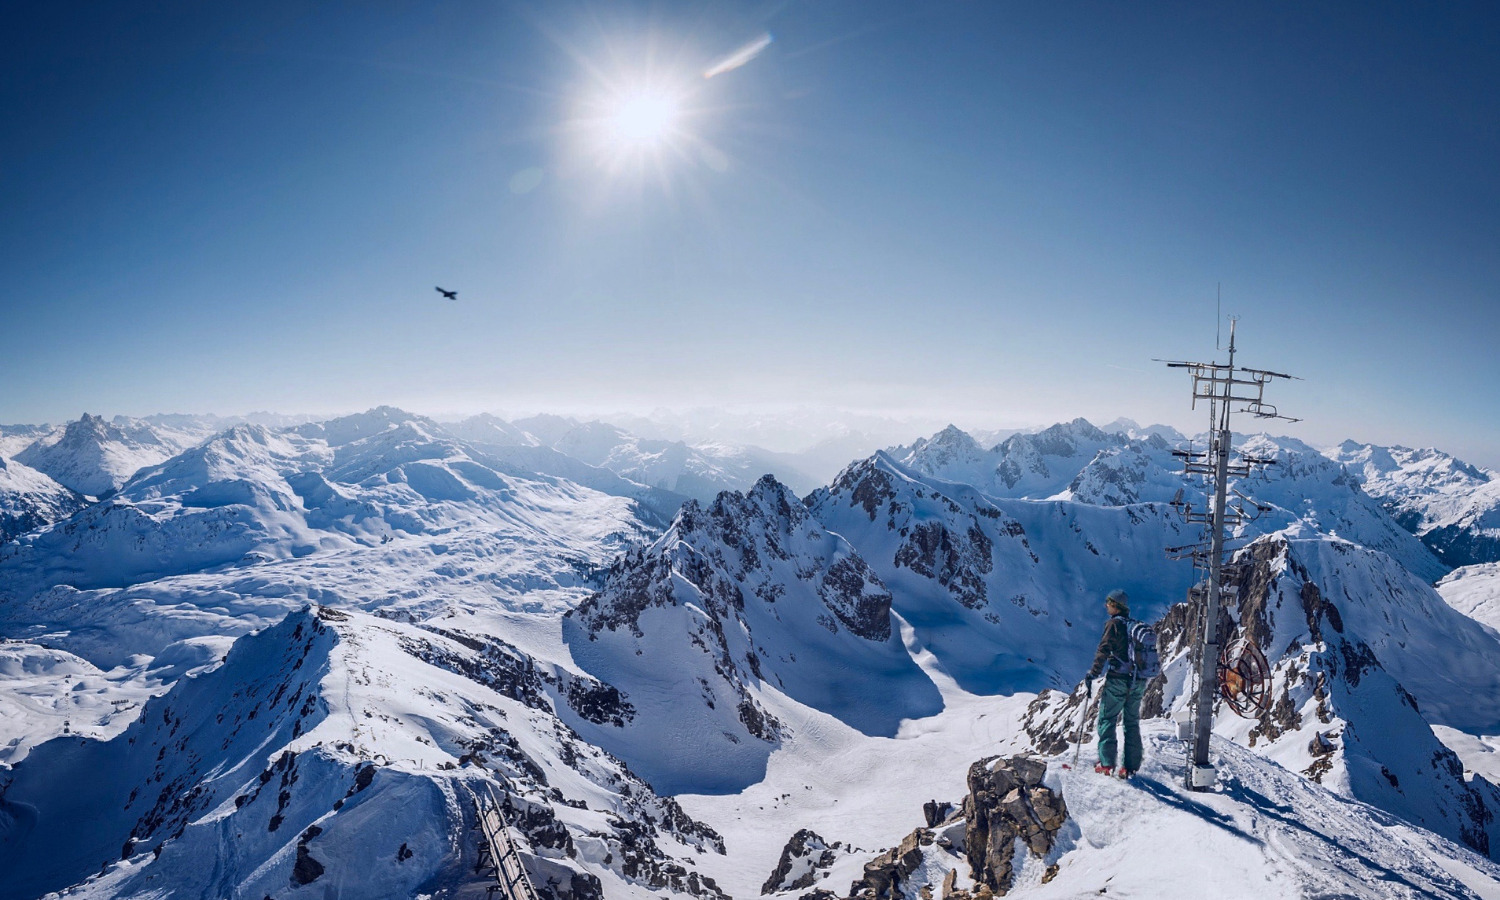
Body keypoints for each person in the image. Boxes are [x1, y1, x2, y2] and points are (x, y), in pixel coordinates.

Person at [1083, 589, 1147, 778]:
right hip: (1138, 681)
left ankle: (1107, 763)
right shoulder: (1135, 626)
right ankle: (1130, 767)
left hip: (1118, 680)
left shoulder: (1114, 625)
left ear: (1115, 605)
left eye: (1108, 603)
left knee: (1107, 720)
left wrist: (1093, 673)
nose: (1106, 606)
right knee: (1131, 722)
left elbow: (1103, 650)